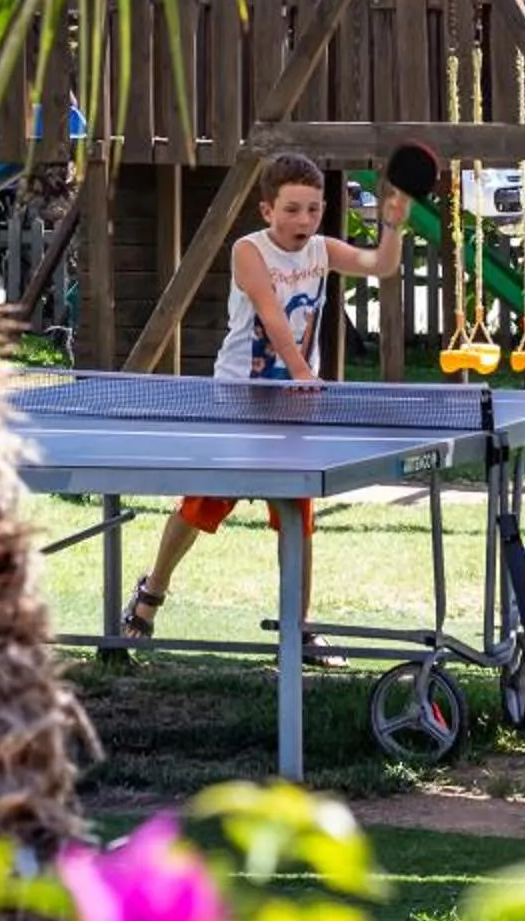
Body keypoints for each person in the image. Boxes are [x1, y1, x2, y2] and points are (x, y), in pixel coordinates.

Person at [119, 151, 408, 657]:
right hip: (240, 401)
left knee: (297, 511)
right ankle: (150, 594)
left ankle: (299, 628)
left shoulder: (321, 250)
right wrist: (301, 371)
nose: (303, 220)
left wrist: (393, 225)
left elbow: (381, 265)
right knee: (201, 504)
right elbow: (272, 316)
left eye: (313, 209)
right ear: (267, 210)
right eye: (292, 209)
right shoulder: (248, 251)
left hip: (293, 407)